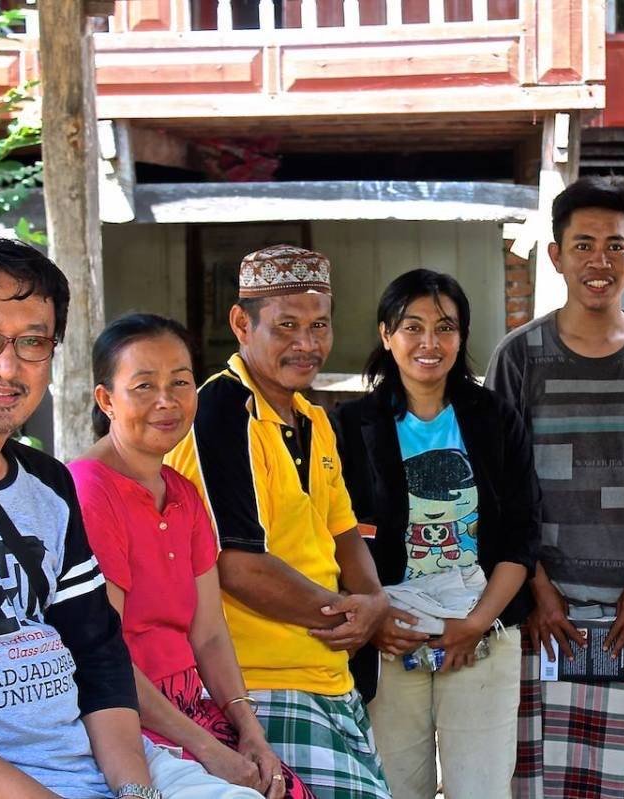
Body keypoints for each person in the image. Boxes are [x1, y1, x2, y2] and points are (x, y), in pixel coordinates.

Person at [0, 237, 255, 799]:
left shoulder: (47, 483)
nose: (8, 366)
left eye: (33, 343)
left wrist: (135, 791)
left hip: (95, 759)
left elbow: (97, 649)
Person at [486, 176, 624, 799]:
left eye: (614, 245)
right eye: (582, 245)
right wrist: (535, 589)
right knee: (536, 777)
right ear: (555, 255)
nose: (598, 261)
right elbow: (501, 488)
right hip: (543, 615)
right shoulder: (518, 356)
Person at [166, 245, 392, 799]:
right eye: (286, 325)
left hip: (329, 678)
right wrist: (354, 616)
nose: (307, 344)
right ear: (242, 323)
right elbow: (237, 566)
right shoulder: (220, 412)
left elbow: (343, 534)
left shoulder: (314, 417)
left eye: (320, 325)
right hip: (260, 685)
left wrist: (376, 602)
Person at [69, 313, 315, 799]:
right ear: (106, 400)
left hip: (189, 709)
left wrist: (250, 732)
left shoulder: (181, 491)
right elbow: (104, 658)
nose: (166, 401)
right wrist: (208, 748)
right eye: (143, 386)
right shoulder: (91, 492)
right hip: (126, 720)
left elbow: (210, 634)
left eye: (180, 382)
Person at [331, 270, 541, 798]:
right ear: (386, 334)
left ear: (463, 335)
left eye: (445, 328)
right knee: (395, 789)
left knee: (482, 789)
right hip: (388, 636)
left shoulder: (495, 418)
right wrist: (374, 620)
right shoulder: (350, 424)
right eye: (412, 327)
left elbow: (521, 533)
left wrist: (476, 623)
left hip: (483, 635)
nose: (430, 343)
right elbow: (333, 535)